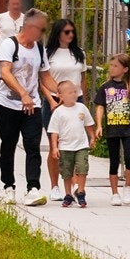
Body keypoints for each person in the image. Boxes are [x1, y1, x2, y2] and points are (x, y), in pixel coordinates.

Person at [0, 7, 55, 206]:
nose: (41, 33)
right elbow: (5, 72)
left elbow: (44, 75)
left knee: (32, 146)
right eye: (40, 29)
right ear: (29, 26)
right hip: (8, 104)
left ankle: (33, 188)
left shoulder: (39, 49)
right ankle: (8, 186)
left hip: (32, 106)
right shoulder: (9, 45)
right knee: (8, 146)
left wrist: (62, 91)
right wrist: (22, 94)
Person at [93, 52, 130, 206]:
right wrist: (99, 125)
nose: (112, 68)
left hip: (128, 128)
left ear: (125, 69)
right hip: (112, 129)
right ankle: (114, 192)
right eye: (111, 65)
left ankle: (128, 186)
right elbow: (100, 106)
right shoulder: (105, 87)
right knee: (114, 160)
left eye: (116, 66)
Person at [43, 18, 88, 193]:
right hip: (54, 102)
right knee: (56, 144)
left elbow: (83, 78)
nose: (70, 35)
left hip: (76, 101)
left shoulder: (79, 53)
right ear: (58, 33)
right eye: (66, 32)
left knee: (76, 144)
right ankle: (55, 185)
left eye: (72, 32)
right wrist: (52, 100)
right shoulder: (48, 53)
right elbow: (43, 79)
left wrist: (82, 100)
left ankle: (75, 184)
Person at [47, 79, 95, 208]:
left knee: (82, 168)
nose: (73, 94)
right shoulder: (58, 112)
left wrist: (92, 137)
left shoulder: (82, 108)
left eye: (75, 92)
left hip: (81, 146)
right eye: (70, 92)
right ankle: (68, 194)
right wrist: (54, 147)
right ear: (60, 96)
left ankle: (80, 191)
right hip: (65, 147)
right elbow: (54, 132)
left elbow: (89, 124)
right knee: (66, 171)